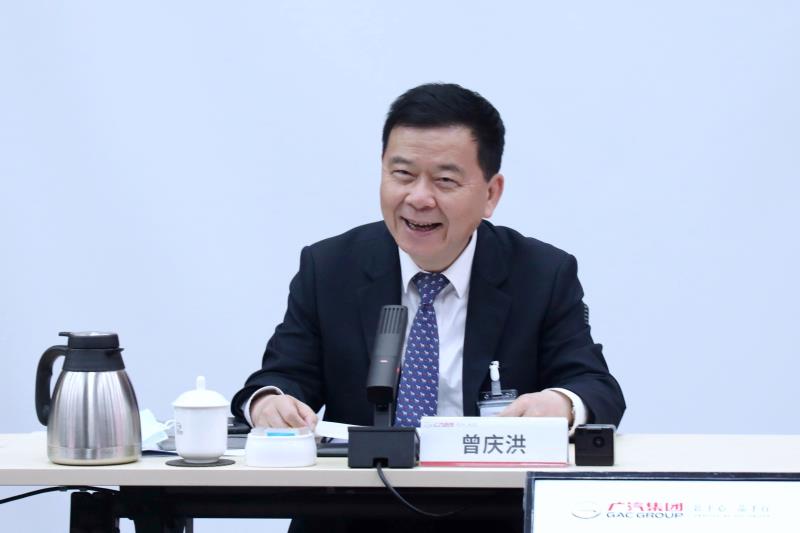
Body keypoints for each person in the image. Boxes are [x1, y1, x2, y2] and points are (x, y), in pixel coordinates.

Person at [232, 83, 625, 532]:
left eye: (445, 181)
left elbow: (596, 388)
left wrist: (561, 404)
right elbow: (282, 377)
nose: (419, 199)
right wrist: (269, 403)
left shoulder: (541, 273)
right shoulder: (330, 266)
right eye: (402, 174)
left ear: (491, 194)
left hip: (491, 514)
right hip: (354, 512)